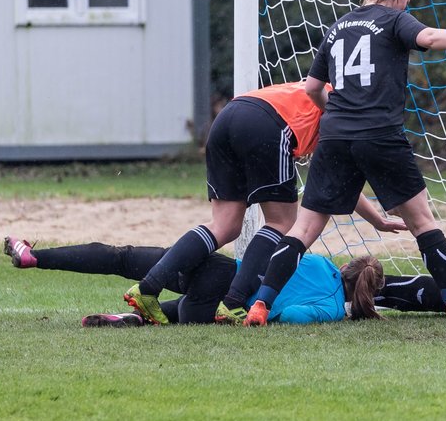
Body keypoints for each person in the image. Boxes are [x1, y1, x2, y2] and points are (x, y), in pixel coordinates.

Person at [244, 0, 446, 326]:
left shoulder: (339, 26)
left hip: (335, 136)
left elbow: (311, 88)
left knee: (302, 230)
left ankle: (259, 305)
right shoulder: (395, 19)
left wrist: (335, 113)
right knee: (422, 222)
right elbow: (429, 38)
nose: (408, 7)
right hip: (380, 135)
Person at [123, 80, 406, 326]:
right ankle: (233, 301)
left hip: (231, 115)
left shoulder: (332, 94)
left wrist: (376, 219)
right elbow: (341, 181)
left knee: (225, 226)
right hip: (270, 127)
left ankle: (148, 288)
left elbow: (337, 180)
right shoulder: (349, 112)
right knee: (282, 222)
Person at [6, 235, 385, 326]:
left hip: (216, 270)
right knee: (184, 314)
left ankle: (35, 256)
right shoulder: (333, 309)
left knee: (122, 257)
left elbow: (275, 258)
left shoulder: (319, 262)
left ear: (348, 267)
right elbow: (291, 316)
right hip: (216, 306)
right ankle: (129, 320)